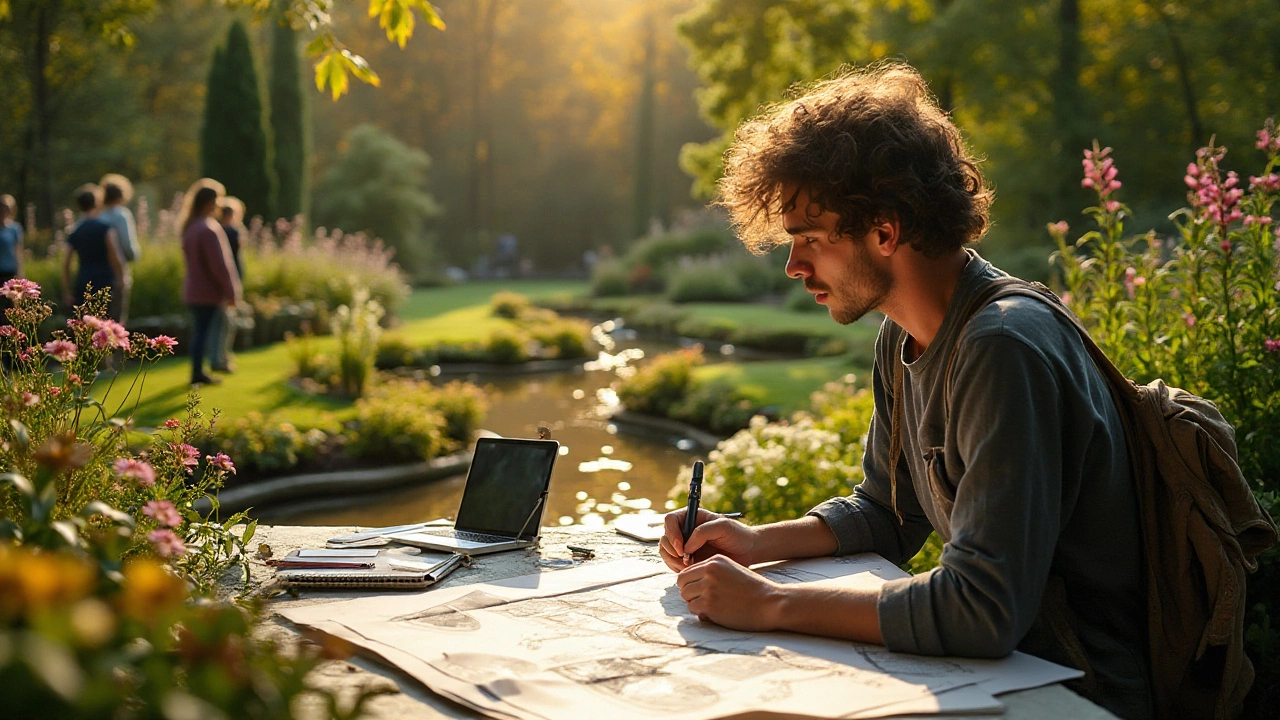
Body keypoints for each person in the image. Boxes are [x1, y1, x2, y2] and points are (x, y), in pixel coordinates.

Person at [659, 63, 1151, 719]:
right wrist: (755, 543)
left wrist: (768, 603)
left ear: (884, 231)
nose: (794, 266)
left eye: (809, 239)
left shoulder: (1003, 347)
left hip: (1069, 694)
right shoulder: (904, 336)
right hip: (986, 678)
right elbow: (887, 513)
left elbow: (983, 609)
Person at [179, 179, 241, 386]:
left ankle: (198, 370)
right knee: (206, 332)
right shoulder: (208, 229)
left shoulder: (190, 227)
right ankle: (199, 372)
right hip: (207, 292)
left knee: (200, 332)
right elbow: (221, 265)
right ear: (210, 202)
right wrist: (232, 291)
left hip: (193, 289)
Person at [62, 184, 130, 318]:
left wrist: (67, 290)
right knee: (109, 325)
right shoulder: (105, 228)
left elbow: (66, 264)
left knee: (87, 326)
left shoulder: (75, 231)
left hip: (84, 282)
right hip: (105, 281)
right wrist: (121, 278)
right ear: (98, 202)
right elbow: (114, 256)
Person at [208, 196, 245, 373]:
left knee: (220, 322)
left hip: (216, 282)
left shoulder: (216, 230)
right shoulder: (230, 232)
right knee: (225, 322)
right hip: (228, 280)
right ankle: (220, 358)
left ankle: (219, 357)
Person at [98, 174, 141, 324]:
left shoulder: (99, 216)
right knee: (117, 324)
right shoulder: (122, 215)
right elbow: (129, 249)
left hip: (100, 274)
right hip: (119, 274)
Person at [0, 194, 23, 323]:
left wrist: (20, 275)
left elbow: (18, 252)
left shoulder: (14, 229)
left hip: (10, 273)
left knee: (11, 308)